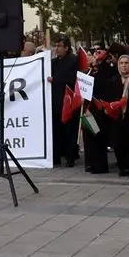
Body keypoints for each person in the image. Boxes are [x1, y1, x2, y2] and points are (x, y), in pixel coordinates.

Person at [49, 35, 80, 168]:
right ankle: (56, 156)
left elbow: (73, 79)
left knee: (69, 130)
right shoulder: (53, 62)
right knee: (56, 129)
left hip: (68, 101)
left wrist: (56, 80)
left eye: (60, 46)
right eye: (56, 46)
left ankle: (70, 156)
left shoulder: (73, 61)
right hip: (55, 101)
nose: (57, 48)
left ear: (67, 48)